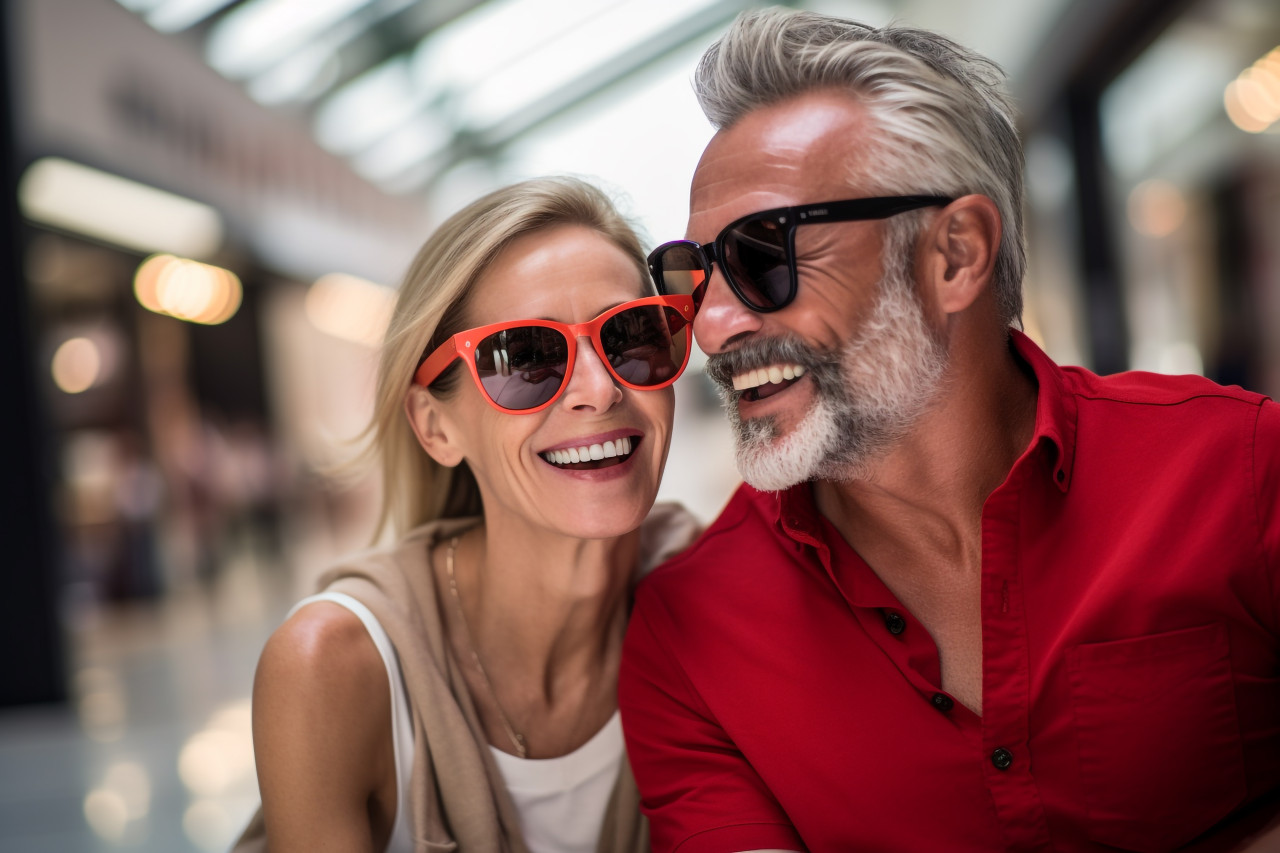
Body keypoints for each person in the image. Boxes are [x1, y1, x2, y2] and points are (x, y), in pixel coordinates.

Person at [619, 7, 1280, 852]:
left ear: (956, 254)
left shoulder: (1241, 473)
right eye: (695, 272)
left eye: (763, 254)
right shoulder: (690, 638)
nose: (711, 323)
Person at [242, 176, 700, 853]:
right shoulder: (333, 668)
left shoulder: (714, 598)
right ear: (435, 427)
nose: (601, 389)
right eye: (527, 358)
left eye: (632, 336)